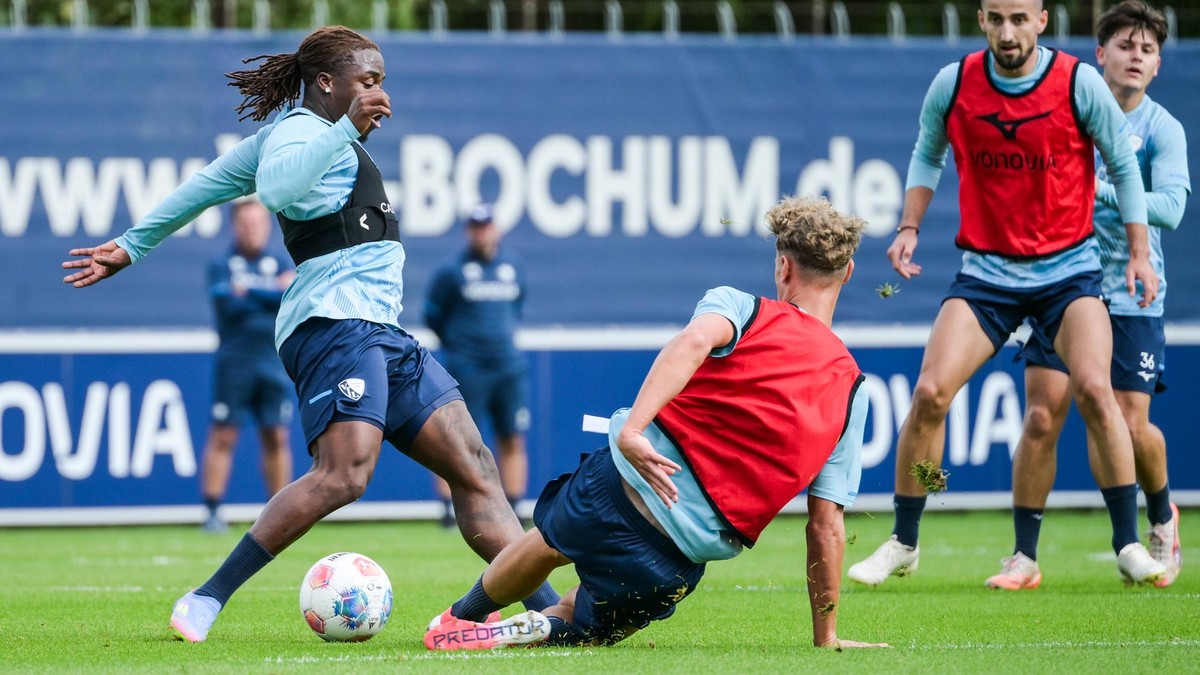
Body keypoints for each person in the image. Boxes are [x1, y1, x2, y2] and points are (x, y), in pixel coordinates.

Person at [61, 25, 557, 643]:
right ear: (327, 83)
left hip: (380, 329)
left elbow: (204, 185)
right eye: (368, 81)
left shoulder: (312, 137)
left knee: (476, 465)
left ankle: (549, 610)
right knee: (344, 475)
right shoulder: (302, 133)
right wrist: (348, 127)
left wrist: (133, 244)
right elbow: (276, 188)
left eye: (382, 82)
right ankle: (207, 596)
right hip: (332, 325)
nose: (380, 95)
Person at [424, 196, 889, 651]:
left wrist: (632, 430)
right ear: (848, 273)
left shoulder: (742, 308)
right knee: (585, 624)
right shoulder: (852, 390)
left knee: (547, 543)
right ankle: (542, 626)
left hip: (620, 485)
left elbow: (691, 343)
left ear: (783, 268)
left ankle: (457, 619)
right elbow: (825, 525)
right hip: (677, 557)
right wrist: (826, 636)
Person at [848, 0, 1167, 588]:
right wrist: (909, 227)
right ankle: (904, 540)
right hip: (987, 275)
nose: (1008, 31)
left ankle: (1127, 541)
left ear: (1041, 21)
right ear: (981, 20)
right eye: (997, 18)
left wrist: (1140, 253)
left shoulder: (1078, 82)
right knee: (929, 393)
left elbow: (1123, 164)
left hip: (1068, 273)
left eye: (1019, 18)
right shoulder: (955, 83)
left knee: (1098, 391)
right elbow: (927, 152)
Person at [985, 0, 1189, 591]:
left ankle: (1159, 516)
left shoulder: (1162, 129)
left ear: (1156, 67)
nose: (1136, 57)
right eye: (1126, 46)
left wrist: (1099, 190)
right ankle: (1024, 557)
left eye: (1148, 50)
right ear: (1100, 55)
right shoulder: (1067, 113)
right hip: (1062, 284)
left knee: (1129, 421)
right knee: (1043, 415)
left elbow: (1172, 209)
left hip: (1130, 294)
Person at [425, 204, 530, 528]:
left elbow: (517, 306)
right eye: (475, 226)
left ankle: (514, 505)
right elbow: (433, 314)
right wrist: (459, 347)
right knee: (457, 437)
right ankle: (449, 508)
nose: (481, 232)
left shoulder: (513, 266)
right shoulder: (452, 271)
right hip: (467, 367)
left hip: (507, 366)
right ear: (468, 231)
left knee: (512, 436)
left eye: (486, 226)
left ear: (496, 228)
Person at [199, 199, 296, 534]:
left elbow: (292, 295)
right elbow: (227, 304)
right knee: (224, 433)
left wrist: (251, 291)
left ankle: (279, 512)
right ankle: (212, 510)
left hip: (273, 361)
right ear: (235, 226)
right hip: (235, 362)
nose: (251, 229)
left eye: (257, 223)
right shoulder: (221, 263)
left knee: (276, 434)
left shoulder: (280, 259)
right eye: (246, 223)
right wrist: (272, 291)